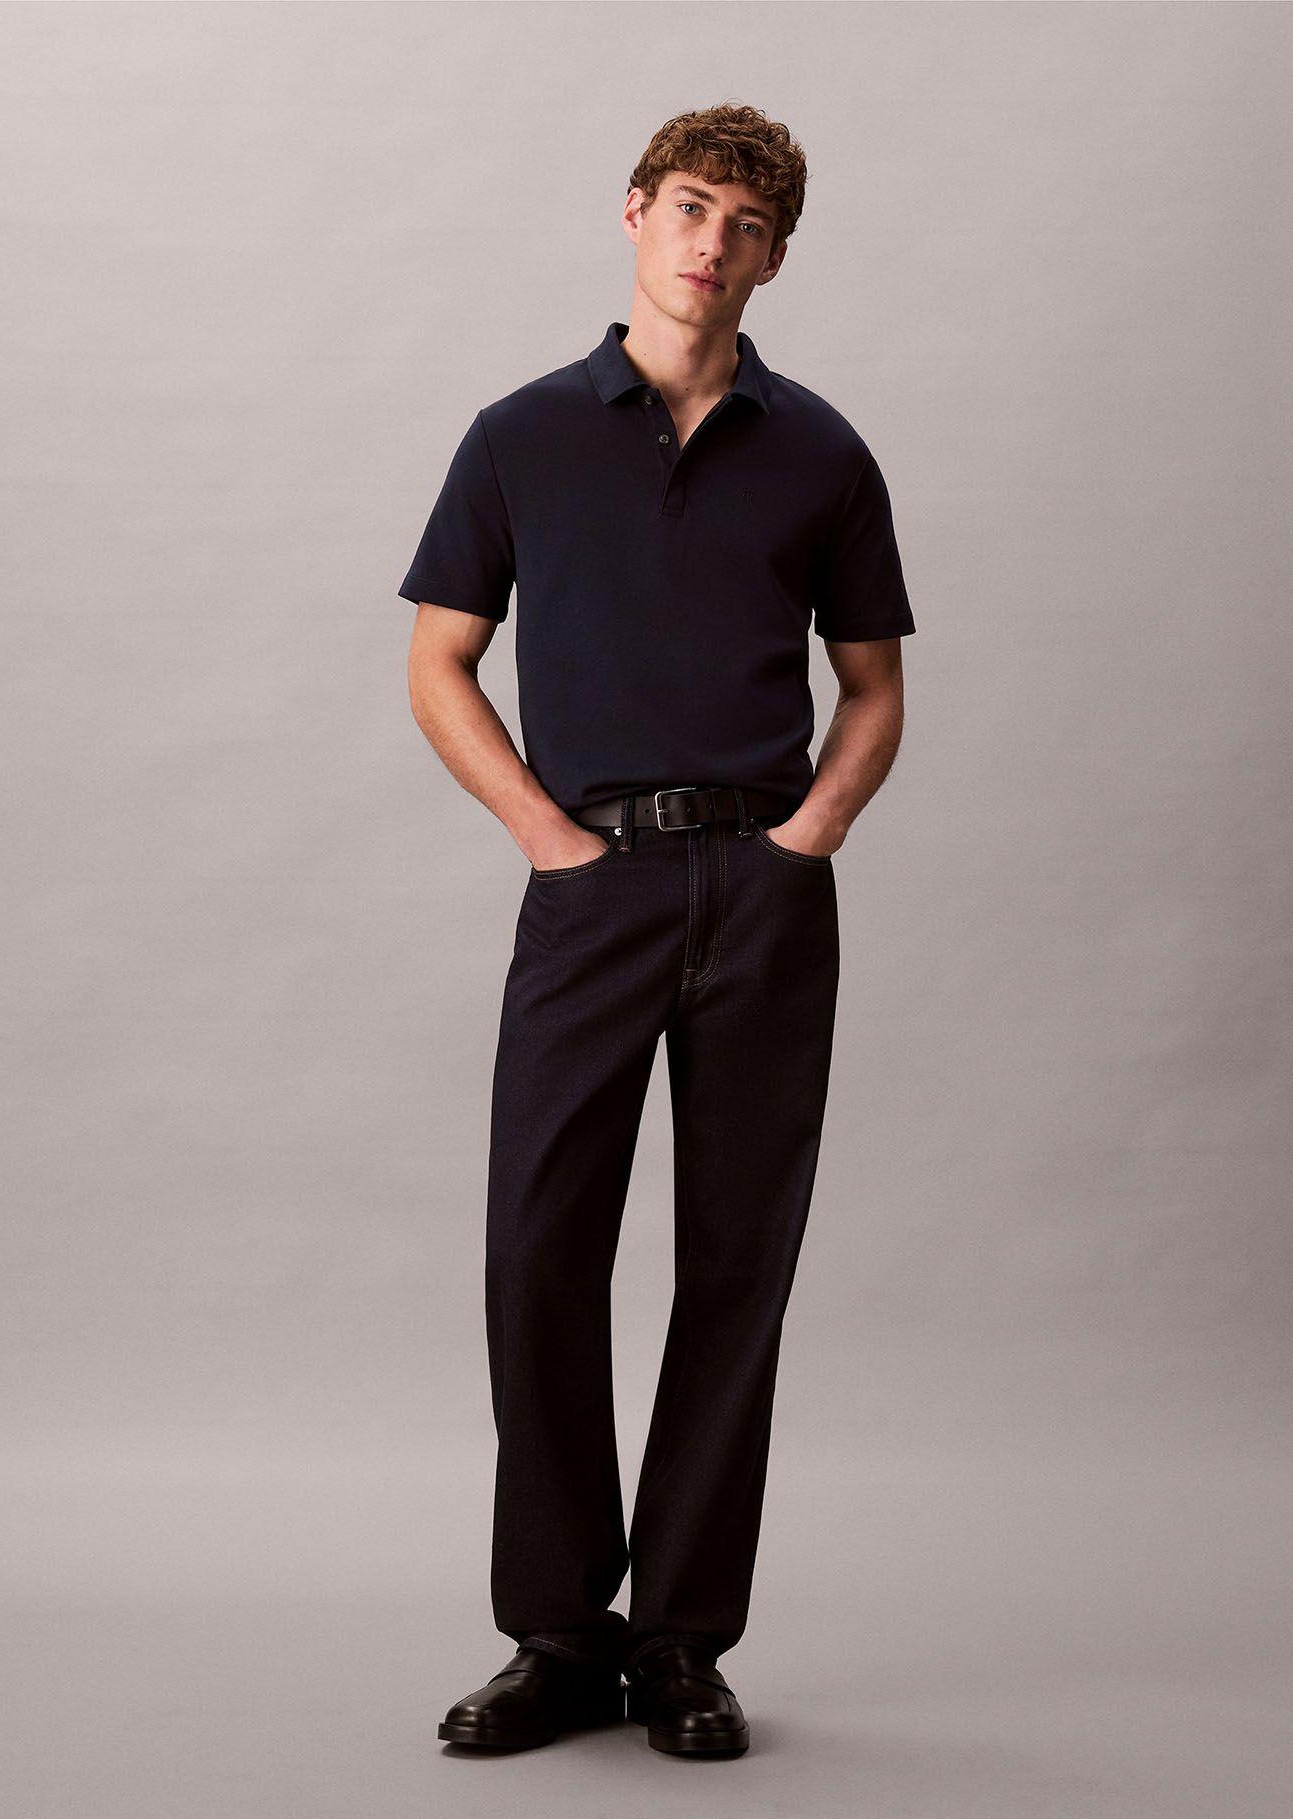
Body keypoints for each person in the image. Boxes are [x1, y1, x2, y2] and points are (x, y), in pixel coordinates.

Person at [399, 102, 915, 1758]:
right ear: (635, 214)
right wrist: (544, 838)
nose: (713, 243)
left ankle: (684, 1641)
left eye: (746, 224)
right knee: (539, 1250)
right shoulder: (521, 436)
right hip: (592, 890)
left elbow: (875, 685)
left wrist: (809, 838)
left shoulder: (823, 452)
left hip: (762, 892)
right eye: (691, 207)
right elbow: (437, 659)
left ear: (776, 255)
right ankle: (559, 1635)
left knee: (737, 1264)